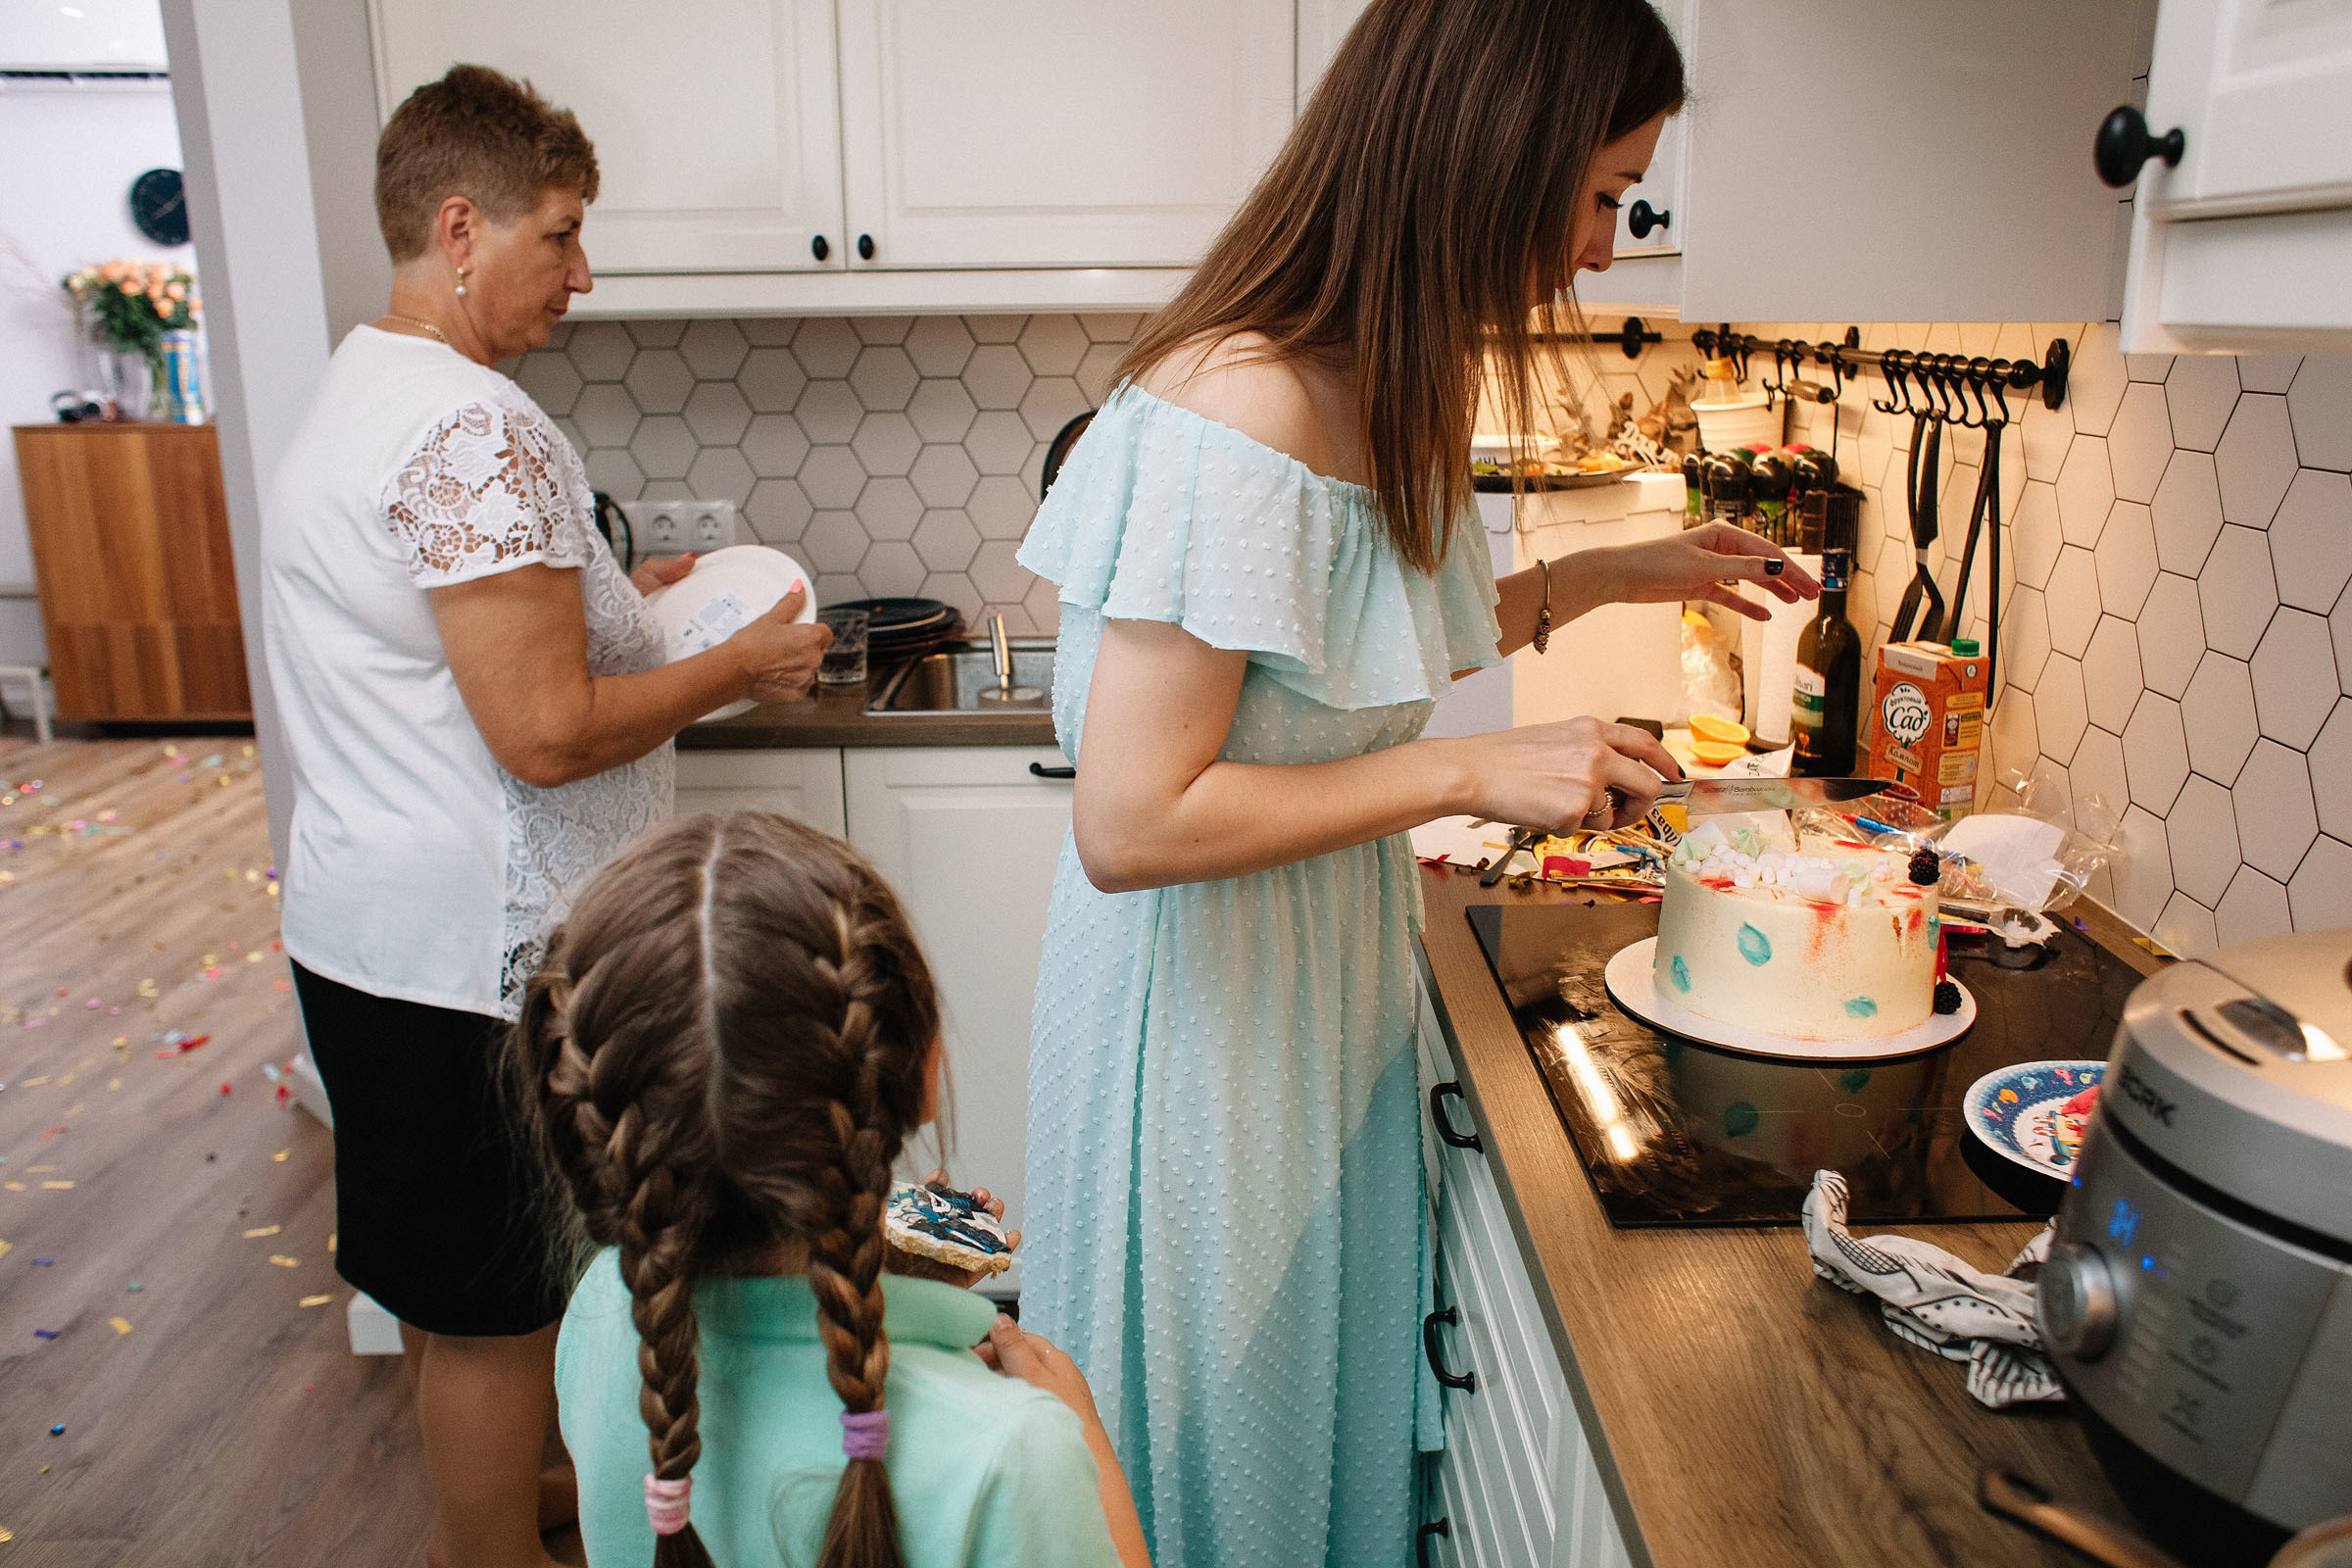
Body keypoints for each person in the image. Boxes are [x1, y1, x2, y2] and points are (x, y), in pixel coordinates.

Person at [1011, 4, 1819, 1565]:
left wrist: (1616, 570)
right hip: (1204, 1029)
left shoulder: (1387, 379)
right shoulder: (1237, 405)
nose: (1602, 246)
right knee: (1222, 1459)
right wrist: (1467, 767)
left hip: (1313, 986)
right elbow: (1131, 820)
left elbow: (1346, 661)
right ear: (1494, 146)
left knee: (1306, 1432)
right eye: (1602, 193)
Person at [262, 66, 831, 1568]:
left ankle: (510, 1506)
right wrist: (738, 665)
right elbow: (547, 732)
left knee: (452, 1289)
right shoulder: (474, 432)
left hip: (370, 932)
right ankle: (489, 1552)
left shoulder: (365, 385)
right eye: (561, 234)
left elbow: (448, 642)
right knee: (499, 1309)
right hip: (475, 959)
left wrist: (621, 609)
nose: (583, 274)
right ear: (462, 226)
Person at [514, 811, 1153, 1568]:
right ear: (924, 1073)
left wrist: (884, 1285)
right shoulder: (1016, 1452)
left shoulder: (600, 1317)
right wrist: (1088, 1447)